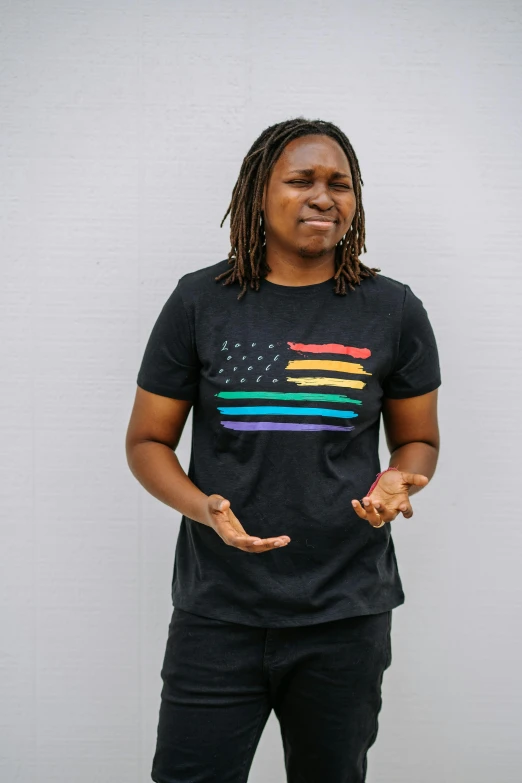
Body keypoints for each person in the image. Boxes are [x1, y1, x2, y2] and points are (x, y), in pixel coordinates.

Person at [125, 117, 441, 783]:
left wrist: (401, 478)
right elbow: (148, 440)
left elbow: (418, 438)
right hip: (218, 611)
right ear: (257, 195)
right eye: (301, 180)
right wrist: (202, 506)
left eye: (340, 184)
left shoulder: (393, 310)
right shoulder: (198, 302)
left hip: (345, 613)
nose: (323, 197)